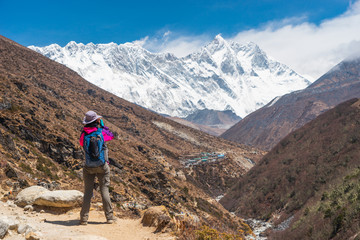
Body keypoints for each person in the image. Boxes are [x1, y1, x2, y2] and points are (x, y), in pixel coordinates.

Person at [79, 110, 115, 225]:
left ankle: (84, 219)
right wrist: (104, 126)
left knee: (88, 193)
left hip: (88, 166)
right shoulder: (101, 132)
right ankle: (109, 217)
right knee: (104, 190)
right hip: (102, 165)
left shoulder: (83, 134)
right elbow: (111, 136)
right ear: (96, 121)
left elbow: (81, 144)